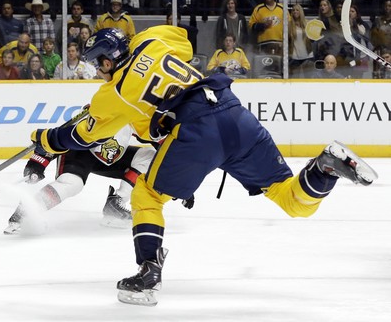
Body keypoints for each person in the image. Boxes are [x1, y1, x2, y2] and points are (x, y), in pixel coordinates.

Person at [27, 26, 378, 306]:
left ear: (106, 60)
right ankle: (326, 167)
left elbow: (80, 136)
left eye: (96, 64)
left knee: (146, 196)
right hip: (234, 114)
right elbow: (181, 39)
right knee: (292, 201)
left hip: (195, 130)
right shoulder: (151, 39)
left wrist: (45, 139)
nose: (97, 72)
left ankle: (148, 272)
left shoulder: (112, 94)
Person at [4, 124, 160, 234]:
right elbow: (63, 136)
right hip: (79, 154)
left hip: (111, 157)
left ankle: (116, 203)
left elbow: (163, 142)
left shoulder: (138, 113)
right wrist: (40, 160)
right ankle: (27, 211)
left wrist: (179, 175)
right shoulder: (100, 107)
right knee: (72, 184)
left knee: (153, 159)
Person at [288, 4, 314, 78]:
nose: (295, 12)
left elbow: (313, 38)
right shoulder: (289, 25)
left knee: (308, 80)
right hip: (294, 56)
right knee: (294, 80)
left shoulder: (307, 23)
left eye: (297, 10)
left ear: (301, 12)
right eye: (293, 10)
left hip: (308, 55)